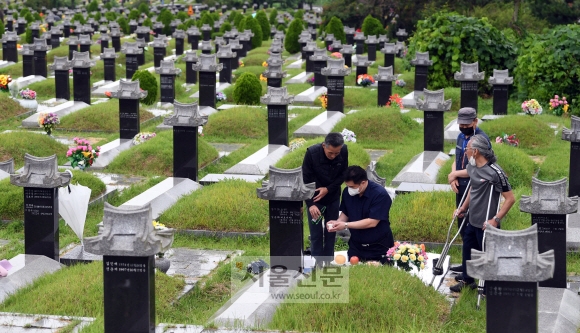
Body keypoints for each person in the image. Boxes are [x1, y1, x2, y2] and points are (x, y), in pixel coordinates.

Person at [450, 134, 516, 292]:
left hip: (487, 224)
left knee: (488, 257)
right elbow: (473, 190)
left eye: (467, 149)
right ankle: (468, 280)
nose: (465, 151)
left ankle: (489, 287)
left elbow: (510, 199)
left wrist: (496, 219)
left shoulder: (495, 172)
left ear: (476, 151)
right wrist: (463, 208)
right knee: (468, 251)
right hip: (472, 220)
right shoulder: (472, 167)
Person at [447, 107, 489, 274]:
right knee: (462, 224)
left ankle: (476, 268)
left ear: (475, 122)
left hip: (475, 186)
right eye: (460, 124)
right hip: (460, 185)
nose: (463, 127)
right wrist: (453, 176)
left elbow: (479, 168)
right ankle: (467, 265)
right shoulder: (460, 137)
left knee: (473, 227)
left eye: (466, 124)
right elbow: (457, 159)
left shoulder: (481, 140)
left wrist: (455, 173)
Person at [326, 166, 394, 264]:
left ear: (363, 182)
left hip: (379, 246)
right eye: (347, 186)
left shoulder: (380, 194)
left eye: (352, 187)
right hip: (356, 246)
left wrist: (345, 225)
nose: (350, 189)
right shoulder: (347, 193)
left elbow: (372, 222)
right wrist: (338, 223)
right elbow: (346, 213)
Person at [302, 133, 348, 265]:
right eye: (330, 153)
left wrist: (328, 189)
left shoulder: (343, 151)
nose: (333, 156)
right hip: (315, 198)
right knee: (315, 232)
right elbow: (305, 179)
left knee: (331, 229)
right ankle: (317, 260)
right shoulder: (312, 153)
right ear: (324, 146)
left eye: (336, 153)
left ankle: (328, 260)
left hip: (333, 196)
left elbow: (343, 174)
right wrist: (310, 204)